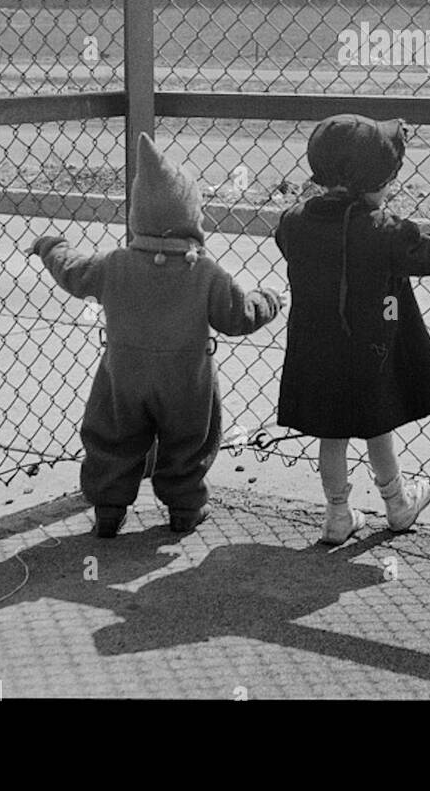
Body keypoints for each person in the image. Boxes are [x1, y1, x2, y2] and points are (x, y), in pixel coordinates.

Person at [31, 132, 281, 538]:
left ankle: (109, 509)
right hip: (187, 380)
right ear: (191, 216)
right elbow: (238, 316)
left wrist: (50, 247)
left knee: (112, 438)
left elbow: (73, 273)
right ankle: (184, 508)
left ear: (138, 217)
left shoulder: (115, 264)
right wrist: (270, 298)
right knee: (189, 443)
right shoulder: (205, 272)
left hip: (123, 377)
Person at [275, 114, 430, 544]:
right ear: (368, 181)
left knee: (331, 431)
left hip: (316, 349)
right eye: (386, 180)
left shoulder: (295, 221)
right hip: (370, 350)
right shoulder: (384, 230)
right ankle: (397, 503)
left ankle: (336, 514)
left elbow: (287, 238)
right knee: (375, 424)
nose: (390, 187)